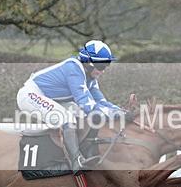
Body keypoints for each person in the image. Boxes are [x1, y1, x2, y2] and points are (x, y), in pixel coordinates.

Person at [17, 40, 125, 174]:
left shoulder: (90, 78)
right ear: (88, 63)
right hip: (30, 95)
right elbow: (89, 106)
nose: (103, 70)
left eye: (106, 65)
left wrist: (121, 111)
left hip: (49, 97)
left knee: (80, 114)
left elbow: (102, 102)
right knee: (67, 118)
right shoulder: (74, 69)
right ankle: (76, 161)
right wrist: (116, 114)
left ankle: (80, 150)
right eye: (101, 65)